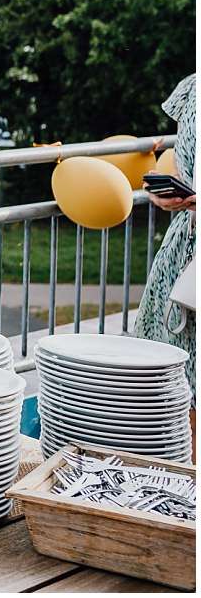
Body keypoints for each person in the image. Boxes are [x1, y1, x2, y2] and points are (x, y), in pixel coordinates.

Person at [134, 73, 195, 444]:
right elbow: (181, 166)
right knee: (172, 384)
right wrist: (163, 190)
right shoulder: (193, 89)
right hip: (184, 254)